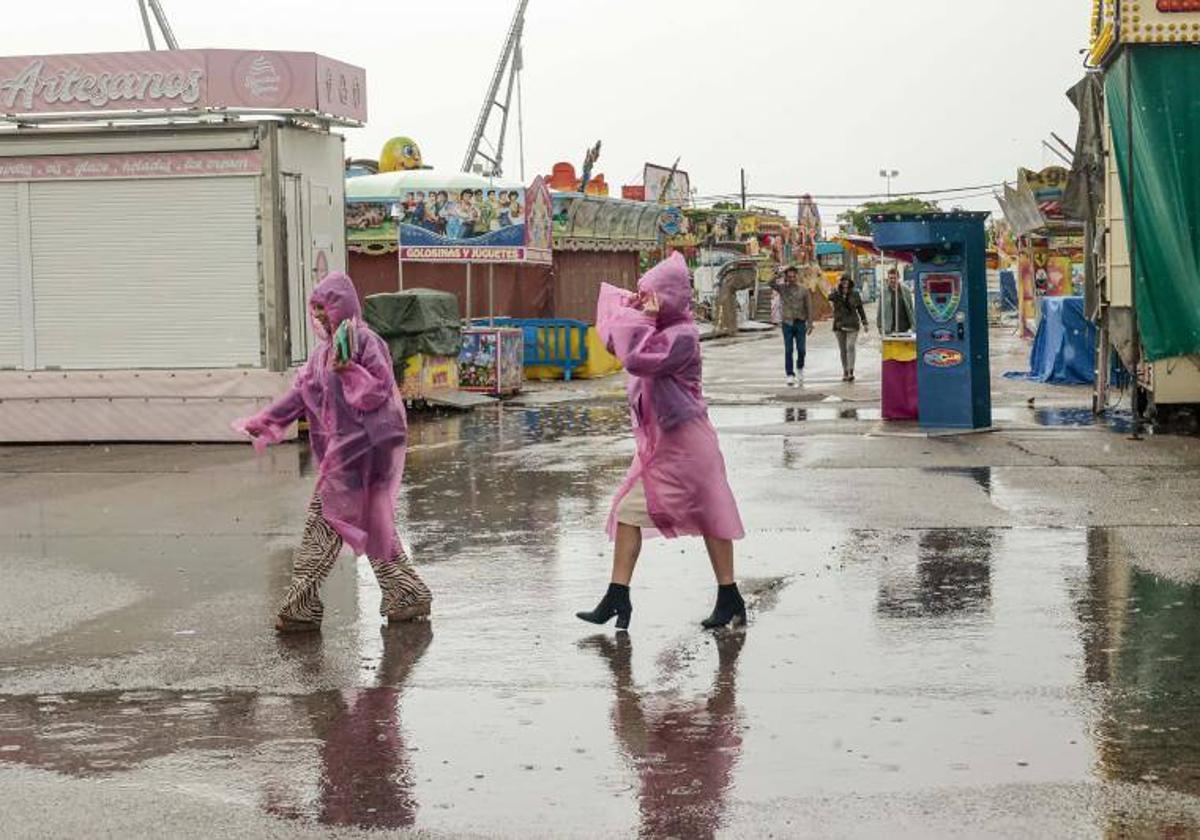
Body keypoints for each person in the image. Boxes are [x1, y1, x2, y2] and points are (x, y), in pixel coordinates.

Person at [234, 272, 433, 634]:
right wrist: (265, 421)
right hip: (344, 451)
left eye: (325, 308)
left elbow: (378, 392)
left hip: (366, 450)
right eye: (316, 310)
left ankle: (301, 607)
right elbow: (302, 395)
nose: (321, 317)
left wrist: (349, 371)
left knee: (321, 526)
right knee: (374, 528)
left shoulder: (366, 343)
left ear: (343, 306)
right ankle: (406, 595)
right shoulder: (322, 354)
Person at [578, 253, 747, 631]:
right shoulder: (661, 328)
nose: (644, 299)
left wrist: (646, 318)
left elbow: (639, 359)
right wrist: (635, 313)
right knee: (627, 511)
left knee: (712, 515)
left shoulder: (682, 336)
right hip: (663, 443)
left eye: (651, 293)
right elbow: (616, 343)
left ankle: (729, 596)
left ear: (669, 296)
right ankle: (617, 596)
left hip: (687, 443)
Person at [768, 265, 814, 387]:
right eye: (789, 277)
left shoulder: (803, 290)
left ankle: (800, 368)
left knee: (802, 349)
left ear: (796, 277)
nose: (792, 279)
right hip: (787, 322)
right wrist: (778, 274)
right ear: (786, 278)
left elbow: (809, 307)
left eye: (793, 276)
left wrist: (810, 323)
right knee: (788, 350)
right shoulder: (782, 288)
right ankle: (790, 374)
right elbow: (770, 283)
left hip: (800, 322)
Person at [829, 272, 869, 382]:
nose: (844, 283)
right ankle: (845, 371)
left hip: (852, 324)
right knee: (843, 349)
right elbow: (829, 298)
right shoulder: (836, 294)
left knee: (850, 347)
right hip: (839, 325)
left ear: (850, 282)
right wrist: (836, 290)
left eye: (846, 281)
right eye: (842, 281)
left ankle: (851, 370)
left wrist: (864, 322)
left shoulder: (855, 294)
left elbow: (860, 309)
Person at [877, 266, 915, 335]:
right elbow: (880, 310)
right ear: (888, 279)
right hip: (889, 329)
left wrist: (913, 325)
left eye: (895, 278)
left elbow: (911, 308)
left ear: (898, 278)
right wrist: (879, 325)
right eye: (891, 278)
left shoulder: (906, 290)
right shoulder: (884, 292)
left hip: (905, 328)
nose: (893, 280)